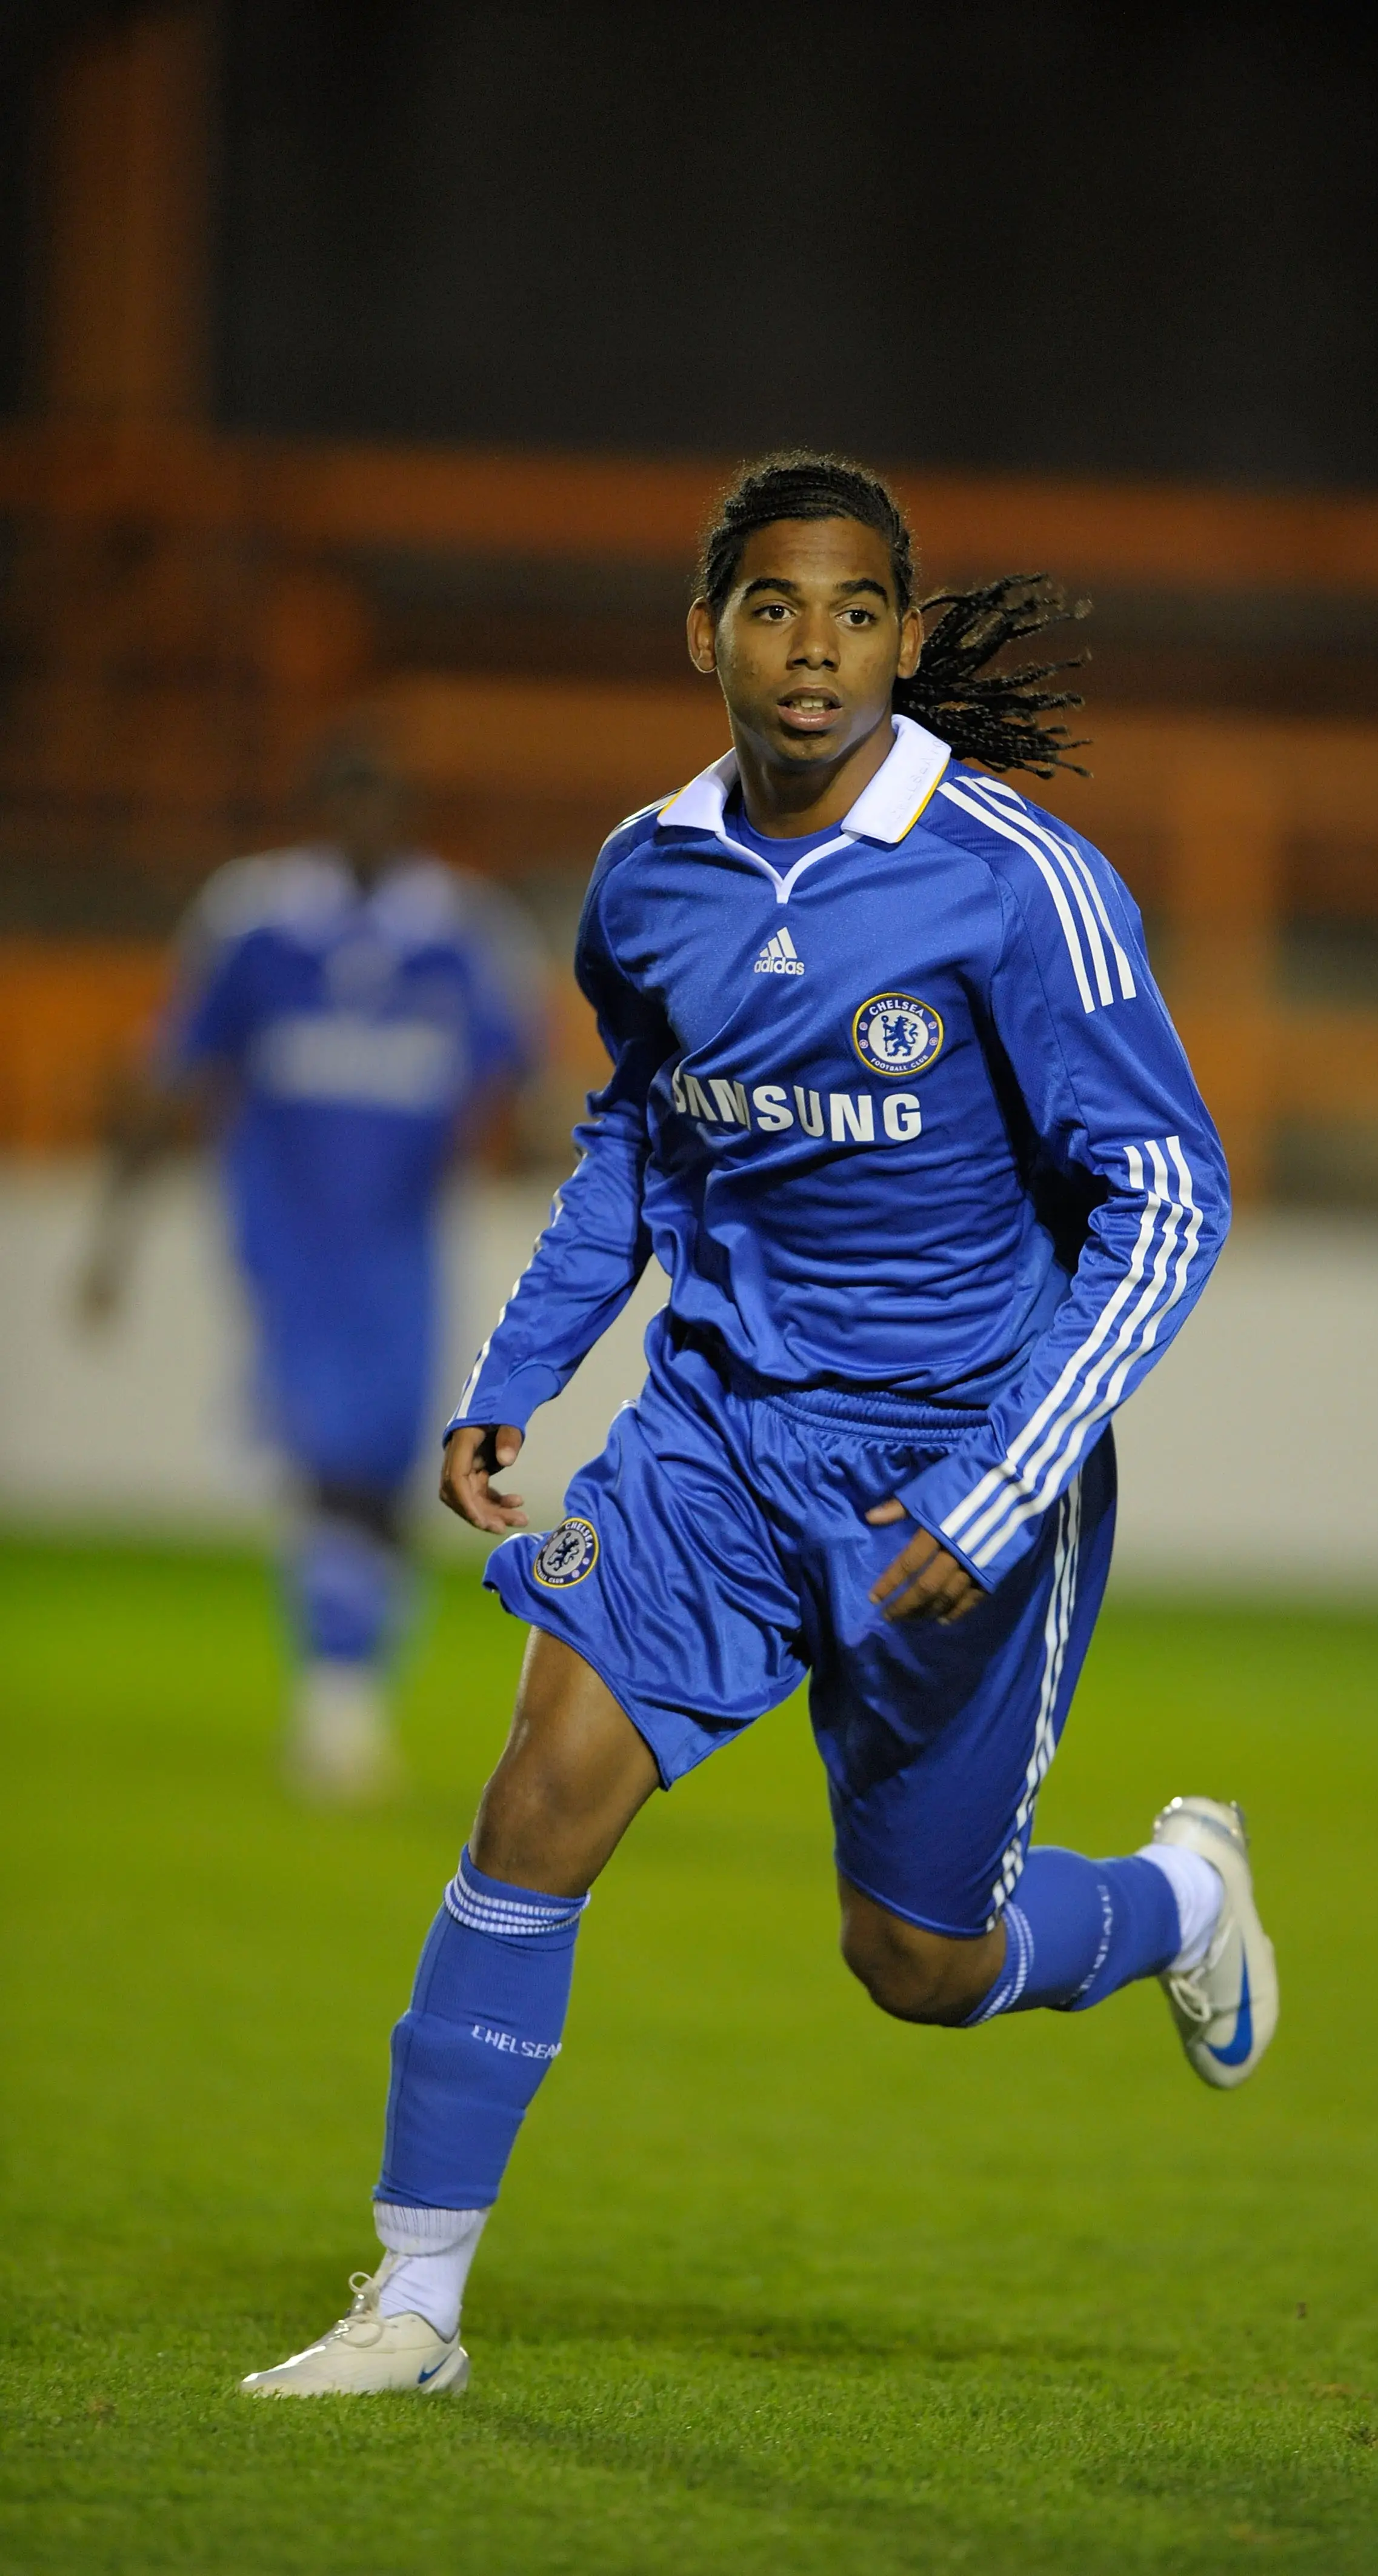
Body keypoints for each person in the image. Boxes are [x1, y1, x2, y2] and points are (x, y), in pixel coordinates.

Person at [242, 454, 1277, 2398]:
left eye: (859, 611)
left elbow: (1167, 1196)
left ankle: (1176, 1903)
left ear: (902, 633)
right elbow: (636, 1143)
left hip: (951, 1473)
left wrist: (999, 1480)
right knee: (537, 1790)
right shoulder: (648, 873)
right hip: (714, 1442)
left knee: (916, 1963)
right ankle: (412, 2304)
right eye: (777, 608)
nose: (817, 651)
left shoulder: (1013, 881)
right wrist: (518, 1375)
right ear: (702, 630)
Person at [80, 738, 542, 1798]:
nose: (368, 823)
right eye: (350, 801)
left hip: (401, 1247)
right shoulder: (255, 922)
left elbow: (518, 1088)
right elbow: (175, 1070)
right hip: (284, 1240)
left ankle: (351, 1681)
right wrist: (115, 1239)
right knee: (330, 1457)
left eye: (387, 802)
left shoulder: (460, 933)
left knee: (384, 1473)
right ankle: (338, 1702)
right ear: (319, 812)